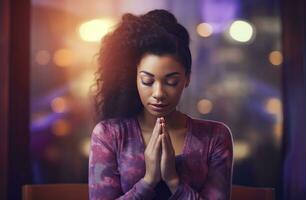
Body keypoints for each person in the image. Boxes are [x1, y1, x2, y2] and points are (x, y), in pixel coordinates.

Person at [89, 9, 233, 200]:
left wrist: (174, 181)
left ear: (187, 79)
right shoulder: (110, 134)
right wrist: (148, 181)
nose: (158, 94)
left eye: (171, 82)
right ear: (134, 78)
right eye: (147, 81)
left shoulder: (214, 137)